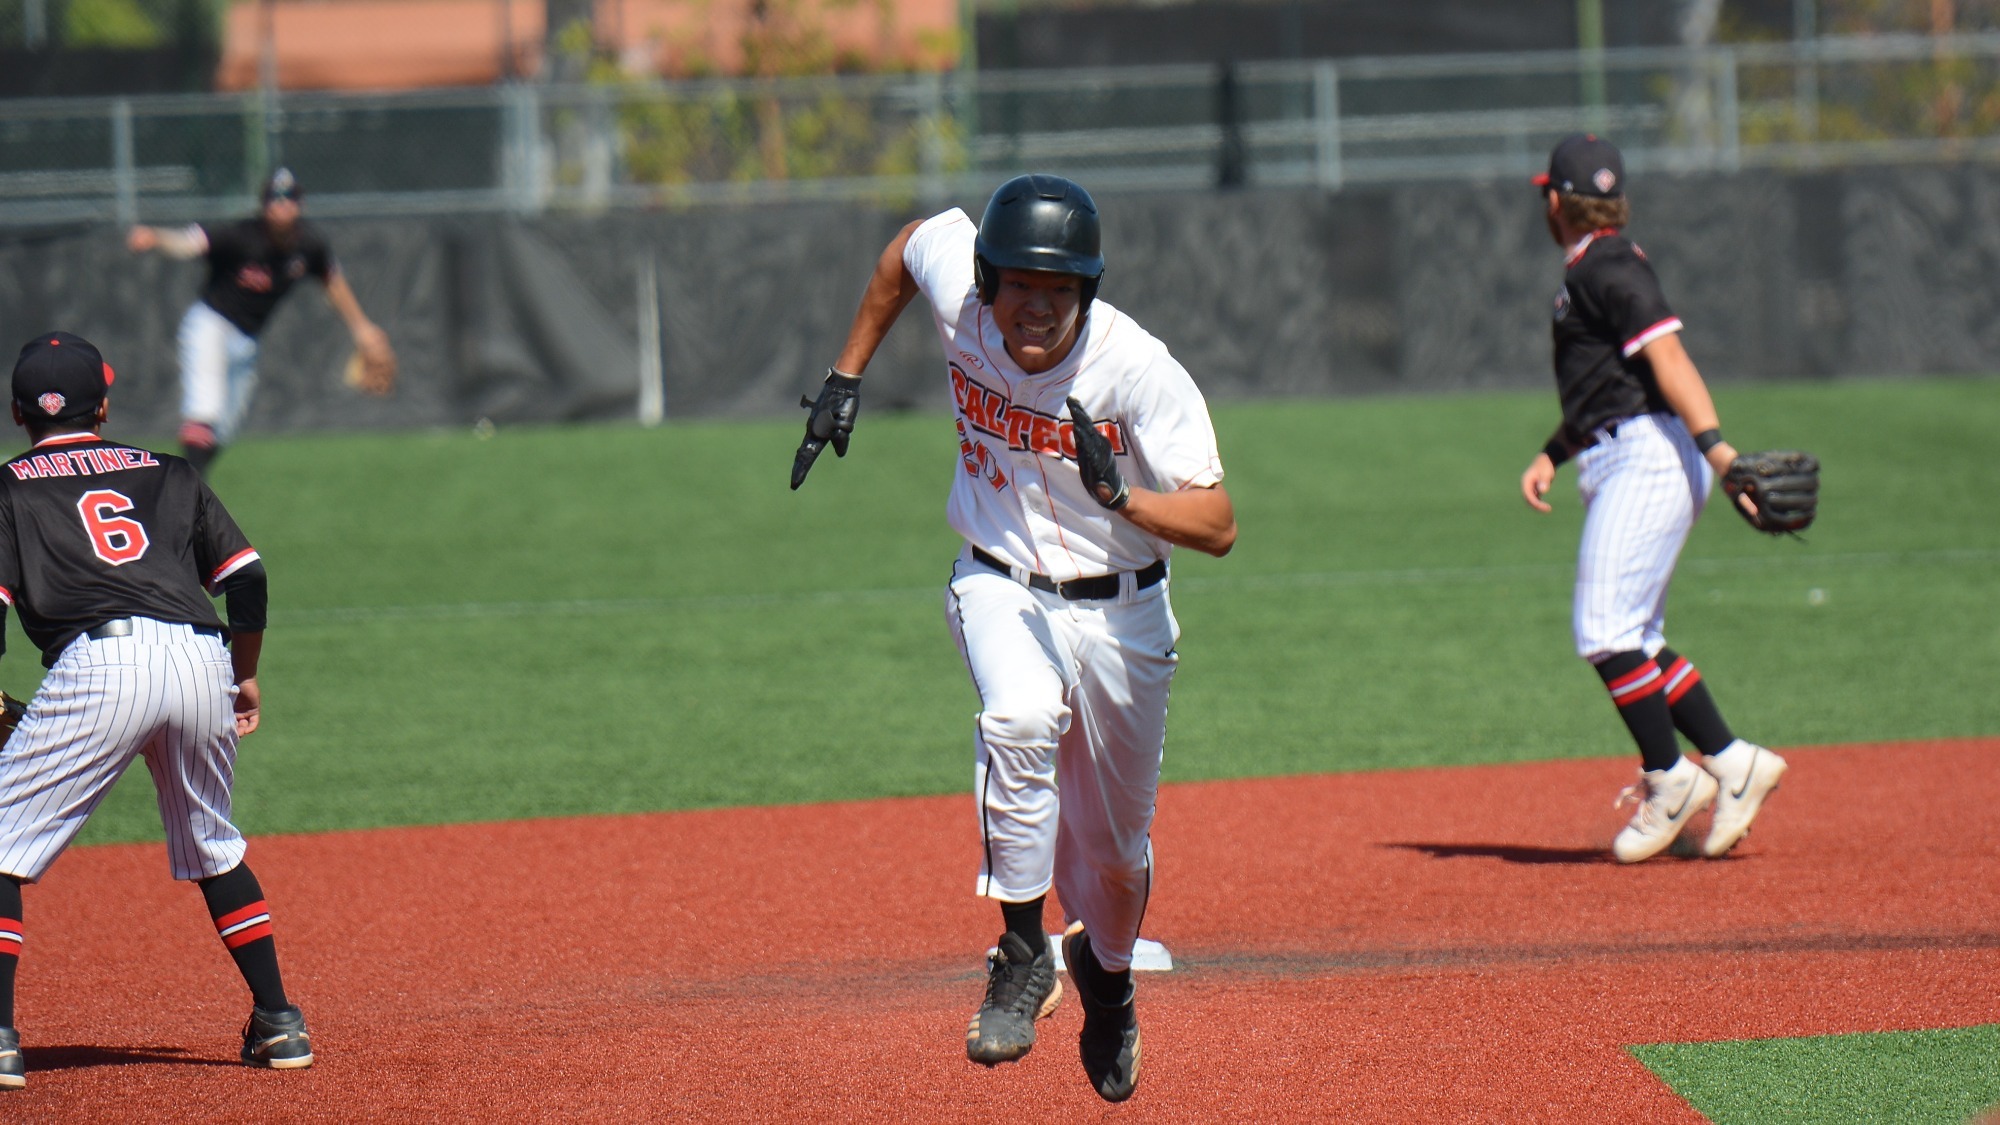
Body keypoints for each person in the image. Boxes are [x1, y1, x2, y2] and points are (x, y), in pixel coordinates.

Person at [790, 174, 1235, 1103]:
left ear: (1089, 292)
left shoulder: (1136, 368)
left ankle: (1105, 982)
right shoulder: (964, 293)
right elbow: (907, 245)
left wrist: (1124, 497)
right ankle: (1024, 949)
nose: (1038, 305)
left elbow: (1219, 522)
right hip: (995, 577)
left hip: (1125, 609)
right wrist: (845, 374)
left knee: (1114, 856)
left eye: (1061, 288)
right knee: (1019, 715)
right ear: (988, 279)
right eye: (1021, 284)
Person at [0, 332, 309, 1090]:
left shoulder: (9, 486)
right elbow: (248, 577)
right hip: (200, 655)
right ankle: (278, 1020)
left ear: (17, 413)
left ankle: (2, 1036)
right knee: (212, 841)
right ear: (104, 405)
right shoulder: (170, 472)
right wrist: (245, 674)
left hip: (99, 662)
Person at [1518, 134, 1788, 864]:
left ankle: (1671, 778)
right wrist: (1552, 451)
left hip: (1647, 458)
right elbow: (1607, 384)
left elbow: (1667, 360)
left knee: (1604, 631)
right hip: (1627, 448)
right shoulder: (1598, 268)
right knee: (1633, 634)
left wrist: (1723, 453)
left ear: (1556, 201)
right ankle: (1733, 762)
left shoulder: (1606, 265)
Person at [126, 166, 395, 476]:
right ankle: (185, 494)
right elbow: (190, 243)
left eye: (289, 198)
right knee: (205, 407)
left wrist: (361, 327)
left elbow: (331, 279)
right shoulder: (242, 236)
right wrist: (156, 237)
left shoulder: (308, 245)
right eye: (275, 198)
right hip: (211, 324)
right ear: (263, 205)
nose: (282, 204)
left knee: (224, 427)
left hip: (246, 339)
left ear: (300, 204)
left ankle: (188, 486)